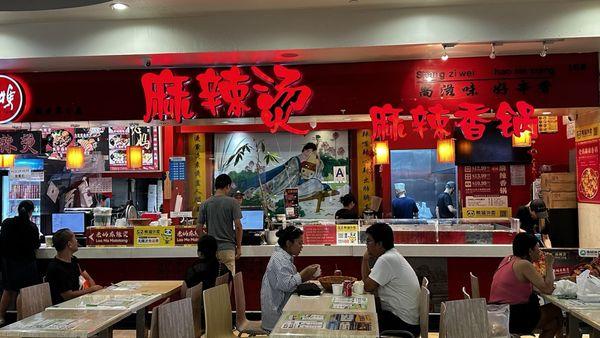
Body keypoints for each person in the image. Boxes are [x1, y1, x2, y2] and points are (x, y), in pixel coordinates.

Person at [489, 233, 562, 337]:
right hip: (512, 316)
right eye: (537, 247)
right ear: (530, 251)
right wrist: (549, 264)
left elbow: (520, 285)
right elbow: (548, 289)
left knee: (552, 324)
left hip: (498, 312)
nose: (540, 251)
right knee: (555, 310)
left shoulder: (508, 259)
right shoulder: (524, 264)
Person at [361, 223, 420, 336]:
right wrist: (365, 260)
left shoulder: (386, 260)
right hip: (405, 319)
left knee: (363, 323)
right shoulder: (391, 255)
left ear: (379, 244)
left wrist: (364, 260)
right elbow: (369, 280)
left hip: (403, 324)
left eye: (368, 241)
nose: (366, 245)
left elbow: (368, 287)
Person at [260, 226, 319, 332]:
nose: (302, 247)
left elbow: (290, 281)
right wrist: (303, 273)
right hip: (277, 317)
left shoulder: (284, 257)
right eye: (299, 243)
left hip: (282, 309)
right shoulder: (280, 260)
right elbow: (287, 285)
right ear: (288, 243)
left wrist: (307, 275)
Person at [0, 200, 41, 325]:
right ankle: (20, 319)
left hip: (9, 262)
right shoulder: (32, 227)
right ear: (30, 212)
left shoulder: (7, 223)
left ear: (18, 209)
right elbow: (36, 245)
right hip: (26, 262)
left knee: (8, 289)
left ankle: (1, 317)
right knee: (22, 291)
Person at [197, 174, 243, 275]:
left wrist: (207, 241)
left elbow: (198, 229)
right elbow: (238, 227)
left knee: (212, 283)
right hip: (227, 249)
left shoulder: (205, 203)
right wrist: (239, 247)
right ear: (227, 186)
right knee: (227, 282)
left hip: (210, 252)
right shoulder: (233, 202)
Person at [46, 229, 103, 304]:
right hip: (63, 309)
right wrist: (92, 290)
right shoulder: (56, 268)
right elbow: (67, 296)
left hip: (78, 304)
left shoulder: (74, 260)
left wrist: (93, 295)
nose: (77, 241)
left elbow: (88, 278)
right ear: (69, 244)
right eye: (74, 239)